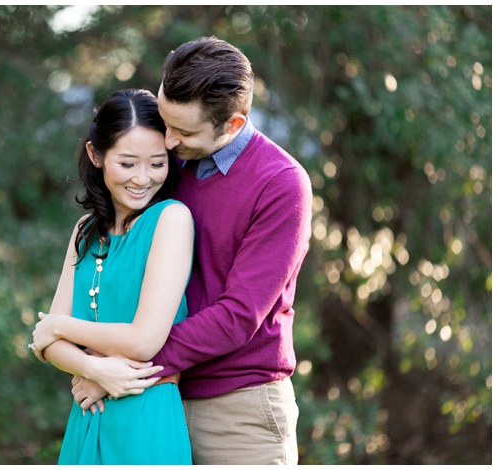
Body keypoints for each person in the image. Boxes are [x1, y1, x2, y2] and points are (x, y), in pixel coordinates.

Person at [36, 36, 313, 465]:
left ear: (233, 125)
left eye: (181, 131)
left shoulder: (280, 184)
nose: (166, 140)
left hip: (235, 407)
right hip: (155, 399)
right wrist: (106, 369)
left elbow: (237, 316)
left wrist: (118, 371)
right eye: (165, 120)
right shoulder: (170, 165)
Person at [30, 88, 195, 465]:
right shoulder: (84, 231)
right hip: (87, 413)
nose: (143, 178)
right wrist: (94, 369)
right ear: (96, 155)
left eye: (157, 163)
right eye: (127, 163)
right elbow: (49, 345)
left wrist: (59, 327)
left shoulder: (171, 219)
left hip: (145, 419)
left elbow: (143, 340)